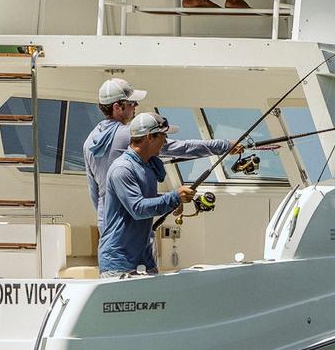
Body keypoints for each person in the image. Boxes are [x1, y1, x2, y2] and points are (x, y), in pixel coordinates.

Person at [81, 80, 227, 218]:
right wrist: (225, 146)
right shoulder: (129, 134)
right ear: (117, 107)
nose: (136, 105)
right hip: (130, 223)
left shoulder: (89, 141)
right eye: (132, 102)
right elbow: (182, 148)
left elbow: (94, 191)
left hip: (106, 219)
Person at [97, 116, 213, 276]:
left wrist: (173, 201)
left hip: (144, 261)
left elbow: (146, 199)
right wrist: (173, 197)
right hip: (119, 264)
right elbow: (138, 208)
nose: (165, 141)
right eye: (163, 135)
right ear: (149, 137)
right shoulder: (122, 169)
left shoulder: (146, 166)